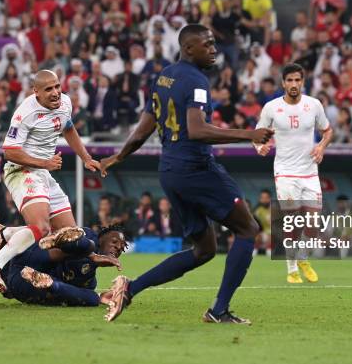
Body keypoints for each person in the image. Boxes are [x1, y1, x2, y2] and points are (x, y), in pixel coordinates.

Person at [99, 24, 273, 324]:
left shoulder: (163, 76)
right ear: (189, 48)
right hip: (196, 169)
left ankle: (130, 288)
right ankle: (219, 310)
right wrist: (250, 134)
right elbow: (197, 130)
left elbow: (144, 128)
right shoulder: (196, 80)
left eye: (214, 43)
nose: (214, 49)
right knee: (248, 229)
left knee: (204, 249)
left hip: (170, 171)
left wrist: (119, 156)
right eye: (207, 44)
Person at [0, 70, 101, 294]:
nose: (55, 93)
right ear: (36, 92)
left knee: (68, 235)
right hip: (21, 171)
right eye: (48, 89)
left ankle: (7, 234)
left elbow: (69, 128)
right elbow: (9, 152)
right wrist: (44, 163)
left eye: (56, 86)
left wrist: (86, 158)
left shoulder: (65, 103)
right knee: (42, 228)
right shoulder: (25, 113)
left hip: (44, 172)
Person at [254, 63, 333, 283]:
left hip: (309, 172)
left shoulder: (314, 105)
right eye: (289, 80)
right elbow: (257, 134)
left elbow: (327, 130)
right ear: (283, 83)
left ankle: (302, 257)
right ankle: (291, 270)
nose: (294, 84)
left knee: (313, 222)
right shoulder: (271, 108)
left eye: (297, 80)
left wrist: (321, 147)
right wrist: (259, 147)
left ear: (303, 82)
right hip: (285, 172)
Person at [2, 225, 127, 307]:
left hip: (25, 286)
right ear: (102, 238)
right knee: (86, 244)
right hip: (28, 260)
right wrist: (93, 256)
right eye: (114, 242)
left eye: (121, 248)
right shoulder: (90, 236)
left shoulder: (88, 280)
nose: (117, 247)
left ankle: (51, 284)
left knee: (93, 299)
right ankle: (56, 239)